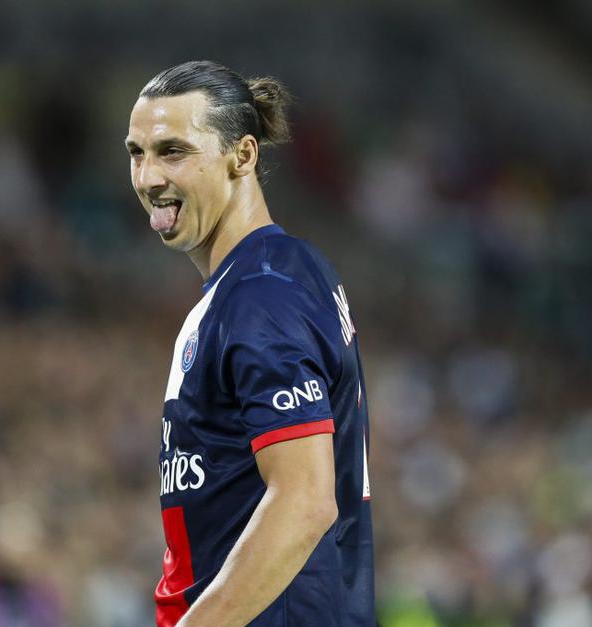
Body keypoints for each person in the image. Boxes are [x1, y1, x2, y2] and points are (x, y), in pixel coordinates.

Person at [125, 60, 376, 626]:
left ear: (242, 155)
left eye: (172, 151)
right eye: (137, 153)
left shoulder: (262, 294)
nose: (148, 178)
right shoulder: (268, 277)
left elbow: (304, 501)